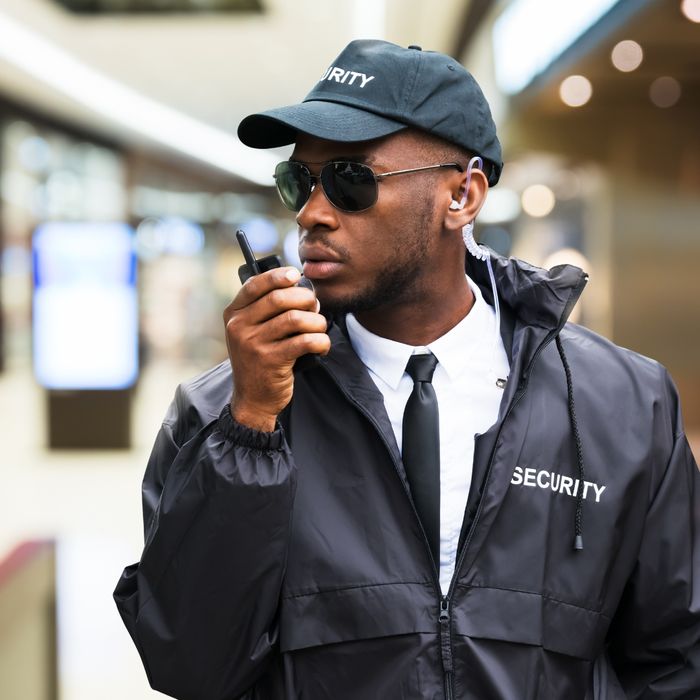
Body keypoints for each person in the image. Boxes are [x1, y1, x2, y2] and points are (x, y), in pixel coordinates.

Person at [114, 40, 700, 699]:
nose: (312, 211)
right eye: (298, 182)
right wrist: (250, 429)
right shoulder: (221, 413)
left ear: (462, 195)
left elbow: (676, 660)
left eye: (350, 179)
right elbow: (189, 665)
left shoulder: (623, 402)